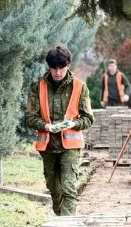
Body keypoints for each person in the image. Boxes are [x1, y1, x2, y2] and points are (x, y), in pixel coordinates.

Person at [25, 45, 94, 216]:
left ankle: (67, 225)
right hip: (48, 146)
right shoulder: (37, 87)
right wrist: (46, 126)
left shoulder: (80, 87)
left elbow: (88, 118)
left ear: (68, 65)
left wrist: (72, 124)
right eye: (54, 68)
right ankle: (60, 217)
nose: (57, 72)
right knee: (54, 188)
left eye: (61, 68)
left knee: (68, 187)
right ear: (49, 66)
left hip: (70, 146)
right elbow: (30, 118)